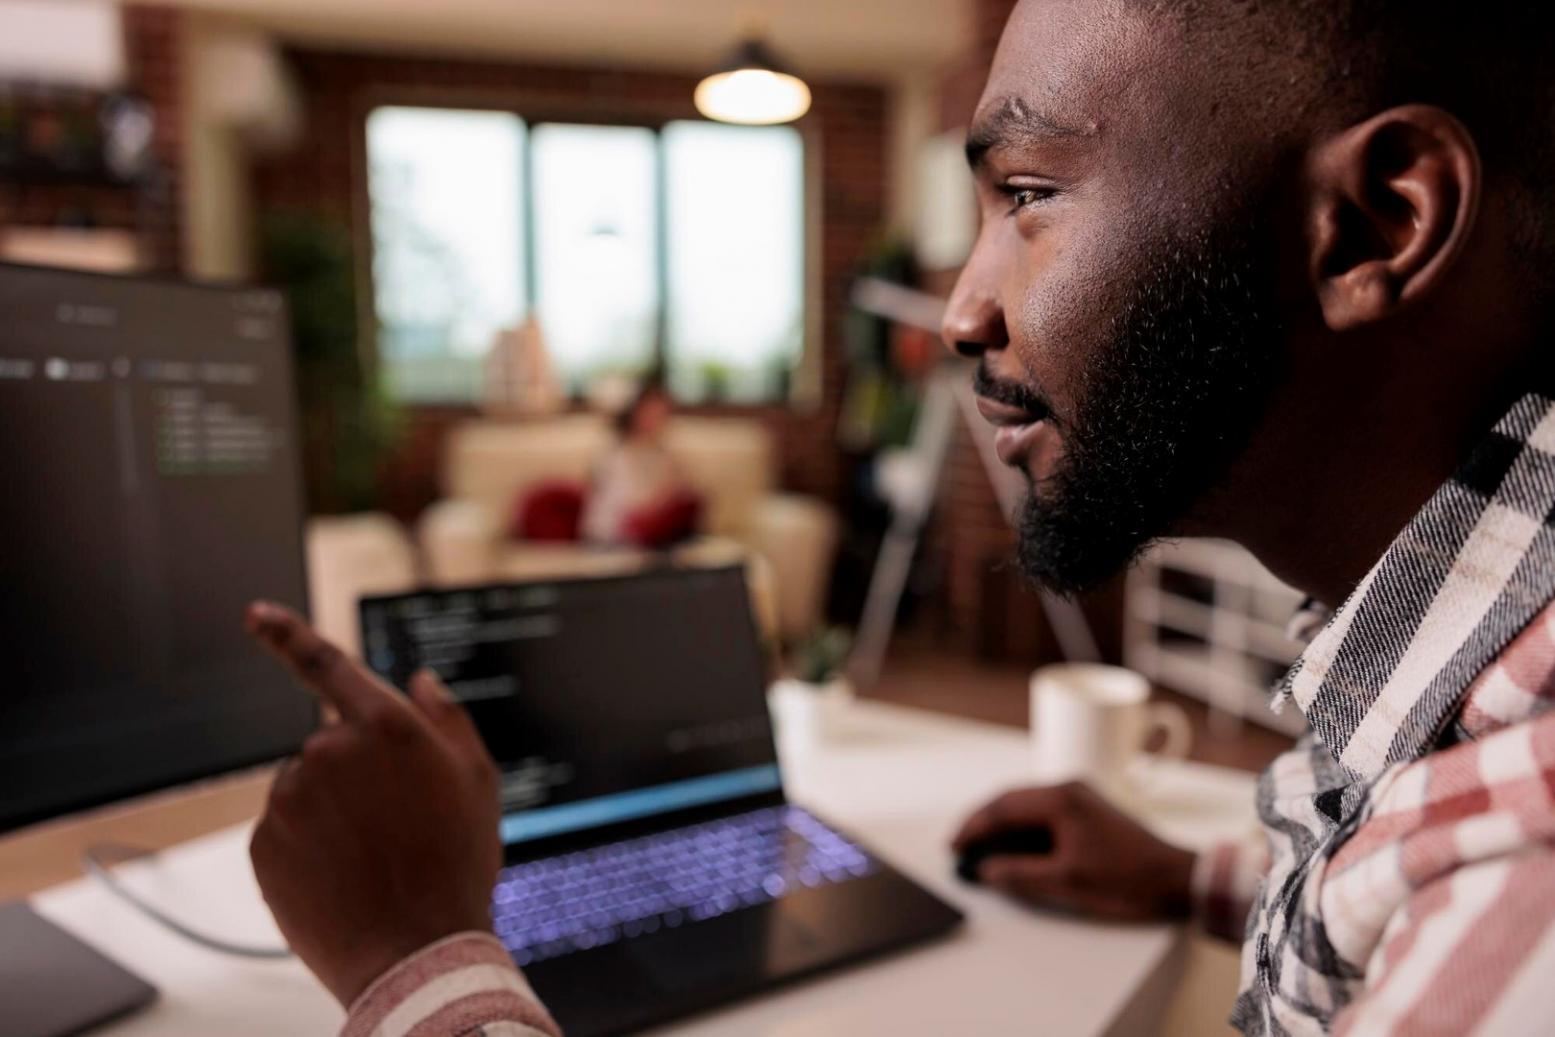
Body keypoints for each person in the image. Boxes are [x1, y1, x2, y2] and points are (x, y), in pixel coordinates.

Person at [242, 0, 1555, 1033]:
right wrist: (1194, 877)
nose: (960, 311)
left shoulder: (1522, 893)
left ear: (1372, 224)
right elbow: (1405, 863)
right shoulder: (1457, 686)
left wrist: (416, 956)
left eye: (1026, 195)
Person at [580, 379, 701, 548]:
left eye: (662, 414)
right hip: (612, 536)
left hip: (646, 535)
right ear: (634, 412)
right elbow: (624, 506)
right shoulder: (616, 453)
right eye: (650, 412)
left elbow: (679, 494)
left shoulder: (664, 455)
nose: (657, 419)